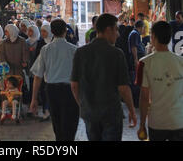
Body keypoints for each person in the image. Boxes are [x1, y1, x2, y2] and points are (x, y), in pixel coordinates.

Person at [71, 13, 137, 142]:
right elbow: (123, 88)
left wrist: (83, 105)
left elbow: (74, 84)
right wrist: (132, 111)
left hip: (90, 113)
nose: (118, 34)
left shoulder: (81, 52)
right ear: (108, 30)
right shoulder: (116, 54)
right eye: (116, 29)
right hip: (111, 113)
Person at [30, 19, 79, 141]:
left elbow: (38, 76)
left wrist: (34, 99)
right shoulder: (74, 49)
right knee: (70, 124)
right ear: (65, 31)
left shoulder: (46, 49)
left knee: (57, 124)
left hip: (52, 91)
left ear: (51, 31)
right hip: (70, 91)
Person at [136, 21, 183, 141]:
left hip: (157, 122)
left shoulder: (144, 63)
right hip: (179, 121)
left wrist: (142, 124)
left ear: (153, 37)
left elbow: (144, 98)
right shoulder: (180, 61)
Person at [128, 20, 145, 108]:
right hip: (135, 59)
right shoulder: (135, 33)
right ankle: (136, 101)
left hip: (137, 58)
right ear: (140, 27)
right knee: (135, 80)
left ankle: (136, 100)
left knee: (136, 79)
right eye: (143, 27)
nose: (144, 30)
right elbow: (133, 47)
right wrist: (136, 60)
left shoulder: (135, 33)